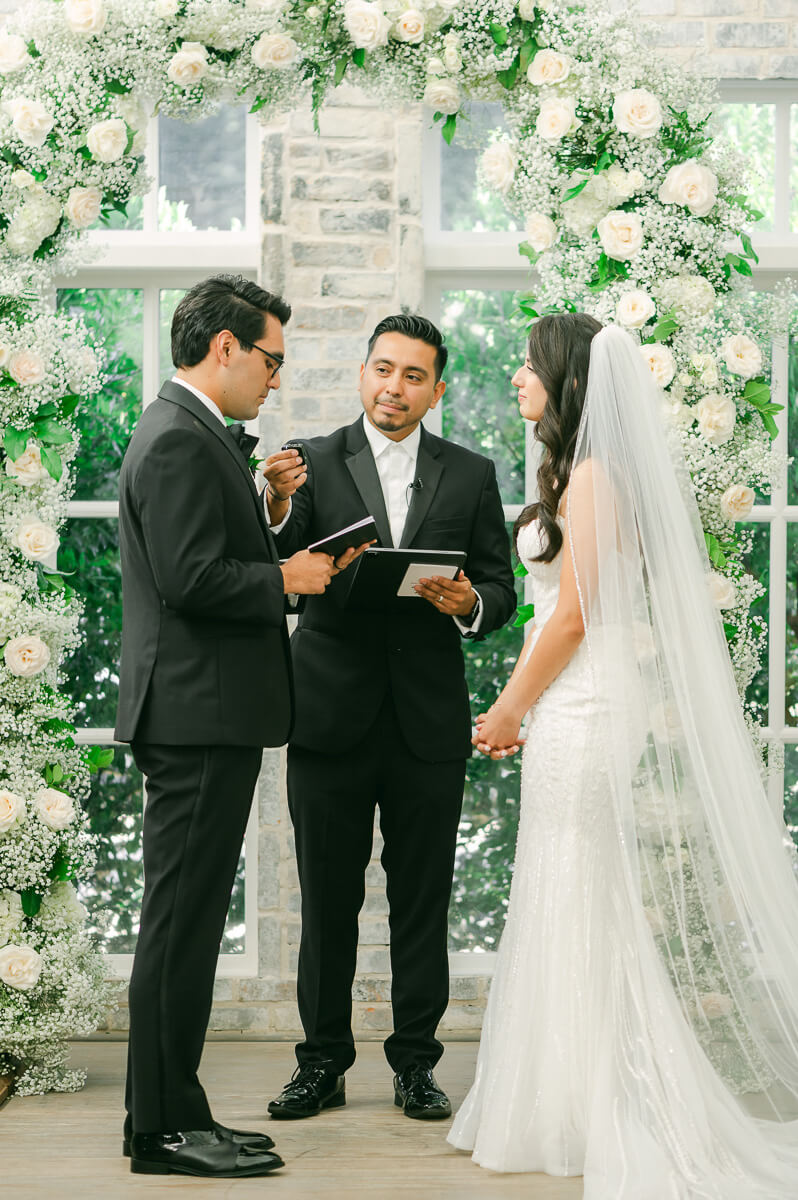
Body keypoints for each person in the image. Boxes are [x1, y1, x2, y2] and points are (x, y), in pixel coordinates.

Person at [448, 315, 798, 1197]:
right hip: (572, 695)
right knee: (560, 879)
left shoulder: (597, 476)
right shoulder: (574, 473)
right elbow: (551, 613)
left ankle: (597, 1100)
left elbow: (573, 615)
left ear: (564, 380)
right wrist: (524, 697)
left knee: (577, 878)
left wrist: (505, 705)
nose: (517, 376)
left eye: (529, 366)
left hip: (591, 699)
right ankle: (556, 1097)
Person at [115, 274, 364, 1179]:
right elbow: (189, 582)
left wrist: (262, 506)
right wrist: (286, 579)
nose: (275, 379)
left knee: (184, 922)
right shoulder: (180, 440)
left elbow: (201, 551)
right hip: (194, 716)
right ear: (224, 348)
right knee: (178, 926)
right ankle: (163, 1130)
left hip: (200, 711)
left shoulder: (187, 432)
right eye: (270, 359)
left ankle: (175, 1111)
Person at [262, 314, 516, 1121]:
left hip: (427, 723)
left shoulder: (471, 474)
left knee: (422, 899)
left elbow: (501, 587)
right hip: (328, 717)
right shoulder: (307, 461)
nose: (393, 387)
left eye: (413, 375)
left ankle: (416, 1065)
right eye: (382, 369)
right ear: (362, 373)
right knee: (327, 900)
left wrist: (470, 601)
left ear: (436, 390)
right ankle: (321, 1062)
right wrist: (274, 502)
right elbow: (280, 559)